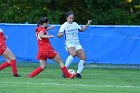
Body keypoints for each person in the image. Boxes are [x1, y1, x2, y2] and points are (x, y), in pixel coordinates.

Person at [57, 11, 92, 78]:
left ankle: (78, 73)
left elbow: (81, 30)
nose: (71, 19)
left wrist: (88, 24)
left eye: (72, 18)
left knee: (83, 58)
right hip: (69, 43)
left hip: (77, 43)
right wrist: (60, 35)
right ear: (66, 18)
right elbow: (59, 34)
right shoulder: (64, 25)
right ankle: (64, 70)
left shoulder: (75, 24)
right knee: (73, 53)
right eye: (70, 18)